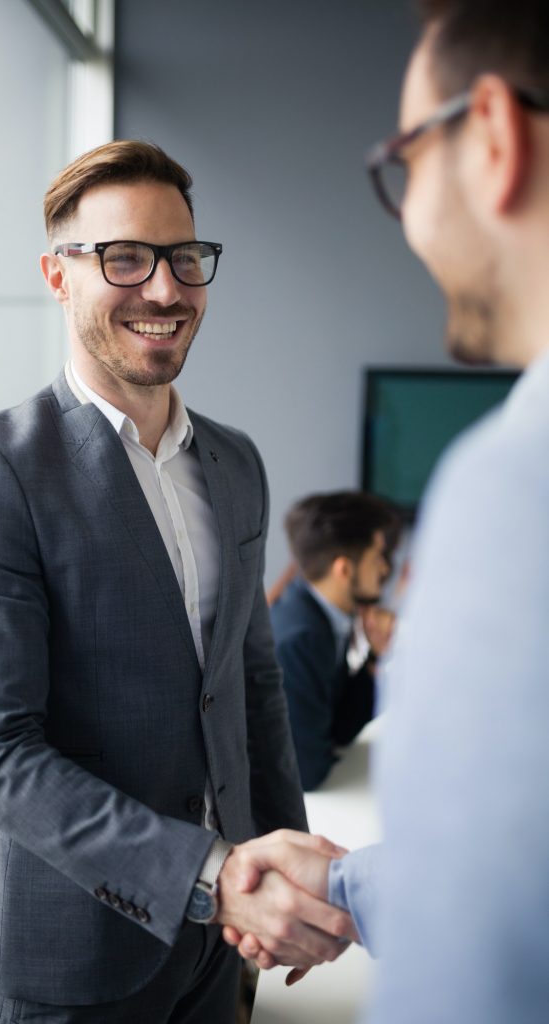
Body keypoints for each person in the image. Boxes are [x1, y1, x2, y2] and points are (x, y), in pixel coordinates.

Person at [0, 141, 354, 1023]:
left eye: (184, 258)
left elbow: (250, 684)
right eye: (124, 257)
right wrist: (209, 877)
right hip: (77, 950)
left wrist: (296, 873)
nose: (163, 289)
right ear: (57, 275)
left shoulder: (236, 464)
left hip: (221, 953)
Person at [227, 0, 549, 1018]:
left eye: (404, 162)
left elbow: (478, 973)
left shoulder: (510, 490)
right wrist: (356, 883)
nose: (408, 213)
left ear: (492, 135)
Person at [270, 492, 396, 790]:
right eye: (377, 557)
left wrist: (374, 658)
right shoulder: (300, 639)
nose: (384, 568)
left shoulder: (323, 612)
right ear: (343, 570)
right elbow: (308, 771)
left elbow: (339, 728)